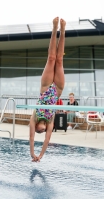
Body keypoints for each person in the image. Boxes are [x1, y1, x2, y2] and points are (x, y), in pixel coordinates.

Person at [29, 17, 66, 162]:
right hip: (57, 89)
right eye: (42, 132)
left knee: (51, 58)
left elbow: (31, 137)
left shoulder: (34, 118)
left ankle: (54, 28)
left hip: (45, 88)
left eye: (39, 130)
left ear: (37, 126)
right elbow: (47, 140)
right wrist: (40, 156)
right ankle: (62, 32)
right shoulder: (50, 120)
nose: (41, 131)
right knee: (59, 60)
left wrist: (33, 154)